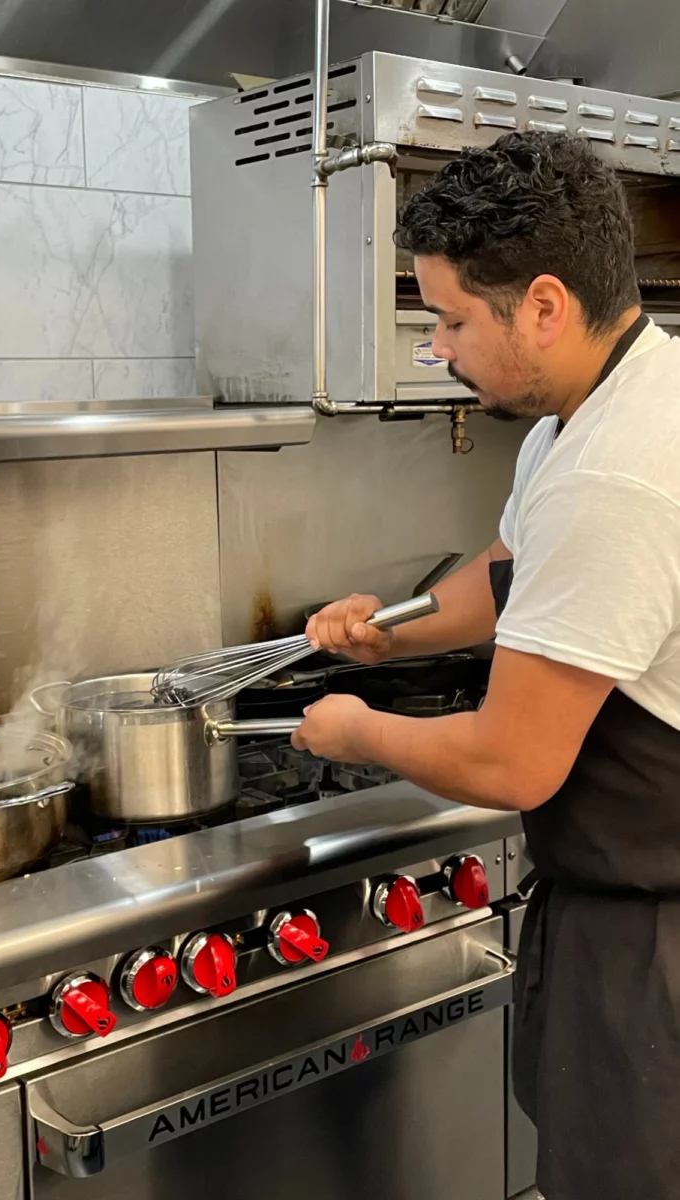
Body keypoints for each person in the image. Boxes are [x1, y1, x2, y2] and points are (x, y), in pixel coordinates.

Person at [293, 130, 680, 1200]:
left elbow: (515, 765)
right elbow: (513, 561)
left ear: (544, 307)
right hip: (618, 903)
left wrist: (353, 727)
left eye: (454, 321)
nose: (443, 350)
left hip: (656, 944)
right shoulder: (606, 401)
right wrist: (395, 627)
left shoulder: (619, 473)